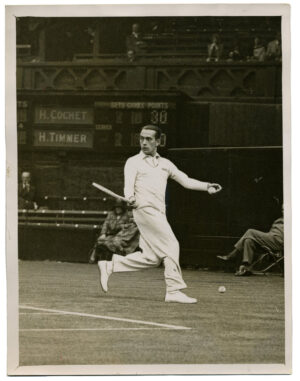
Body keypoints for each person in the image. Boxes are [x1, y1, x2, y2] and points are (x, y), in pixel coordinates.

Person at [98, 125, 222, 304]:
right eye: (141, 138)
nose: (144, 142)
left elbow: (185, 180)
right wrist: (131, 197)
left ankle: (110, 265)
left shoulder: (165, 164)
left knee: (151, 258)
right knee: (171, 244)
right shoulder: (133, 161)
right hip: (144, 210)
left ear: (158, 141)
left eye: (149, 139)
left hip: (159, 213)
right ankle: (173, 290)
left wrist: (207, 186)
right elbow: (128, 185)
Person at [217, 209, 284, 276]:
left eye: (285, 209)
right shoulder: (280, 218)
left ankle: (232, 255)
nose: (283, 211)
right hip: (270, 239)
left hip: (277, 241)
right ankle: (246, 267)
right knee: (248, 241)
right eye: (282, 209)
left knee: (250, 231)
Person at [89, 199, 139, 264]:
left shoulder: (127, 214)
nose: (118, 209)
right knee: (100, 240)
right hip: (110, 234)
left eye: (119, 207)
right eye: (116, 207)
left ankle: (122, 257)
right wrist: (103, 233)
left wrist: (124, 226)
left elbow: (133, 223)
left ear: (122, 208)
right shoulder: (111, 214)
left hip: (122, 235)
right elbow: (105, 224)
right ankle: (93, 257)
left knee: (117, 242)